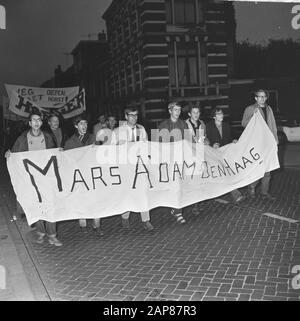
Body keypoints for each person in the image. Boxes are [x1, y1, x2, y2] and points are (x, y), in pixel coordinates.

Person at [6, 109, 62, 247]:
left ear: (41, 123)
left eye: (39, 120)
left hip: (46, 178)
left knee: (50, 205)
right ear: (30, 123)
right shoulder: (22, 138)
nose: (36, 122)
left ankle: (52, 235)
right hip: (30, 179)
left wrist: (59, 152)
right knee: (36, 205)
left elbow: (54, 156)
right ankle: (41, 232)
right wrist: (9, 153)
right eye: (34, 120)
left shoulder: (48, 137)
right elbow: (15, 155)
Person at [113, 106, 154, 232]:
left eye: (136, 115)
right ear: (126, 116)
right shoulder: (117, 131)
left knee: (142, 191)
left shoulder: (141, 129)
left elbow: (146, 145)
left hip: (139, 165)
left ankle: (146, 220)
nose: (134, 117)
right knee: (127, 192)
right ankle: (125, 219)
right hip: (125, 167)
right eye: (131, 115)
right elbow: (110, 149)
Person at [64, 113, 104, 236]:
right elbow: (67, 160)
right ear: (76, 126)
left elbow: (99, 156)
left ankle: (96, 225)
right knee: (81, 200)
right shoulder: (70, 142)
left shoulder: (93, 138)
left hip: (92, 174)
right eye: (81, 123)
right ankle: (83, 225)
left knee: (95, 200)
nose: (84, 126)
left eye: (86, 123)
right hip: (79, 176)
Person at [155, 102, 191, 224]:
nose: (178, 112)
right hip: (169, 161)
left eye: (179, 110)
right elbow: (156, 144)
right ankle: (177, 210)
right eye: (175, 110)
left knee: (180, 185)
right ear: (170, 111)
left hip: (181, 159)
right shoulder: (162, 125)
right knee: (174, 186)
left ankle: (177, 210)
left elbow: (188, 141)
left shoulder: (183, 124)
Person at [241, 89, 278, 200]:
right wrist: (254, 118)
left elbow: (272, 125)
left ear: (266, 98)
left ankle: (264, 192)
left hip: (268, 142)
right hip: (256, 142)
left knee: (268, 168)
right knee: (257, 166)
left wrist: (275, 140)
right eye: (259, 96)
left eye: (264, 96)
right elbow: (244, 124)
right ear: (255, 98)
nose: (262, 98)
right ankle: (251, 187)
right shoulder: (251, 109)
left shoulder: (269, 109)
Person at [206, 107, 245, 203]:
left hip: (225, 154)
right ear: (214, 116)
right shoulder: (208, 126)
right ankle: (236, 194)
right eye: (219, 114)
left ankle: (234, 193)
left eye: (222, 113)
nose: (221, 115)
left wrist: (233, 140)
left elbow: (229, 138)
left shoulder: (226, 125)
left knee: (227, 173)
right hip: (214, 155)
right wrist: (211, 144)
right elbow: (205, 139)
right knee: (224, 174)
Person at [186, 105, 209, 215]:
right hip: (189, 155)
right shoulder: (185, 125)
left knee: (199, 179)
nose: (196, 114)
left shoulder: (202, 124)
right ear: (189, 114)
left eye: (198, 112)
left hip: (199, 154)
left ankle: (196, 203)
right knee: (192, 179)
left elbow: (204, 137)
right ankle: (193, 204)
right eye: (194, 112)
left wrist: (207, 142)